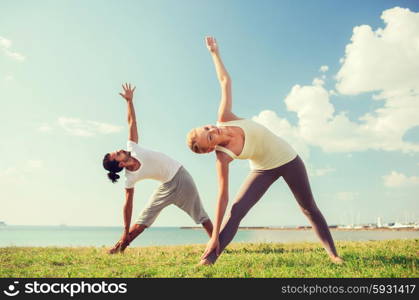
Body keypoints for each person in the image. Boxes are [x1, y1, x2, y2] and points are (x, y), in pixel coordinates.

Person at [186, 37, 343, 265]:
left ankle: (334, 255)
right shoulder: (222, 156)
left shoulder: (225, 118)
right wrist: (213, 237)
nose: (212, 129)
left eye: (207, 127)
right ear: (210, 148)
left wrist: (214, 53)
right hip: (262, 169)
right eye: (209, 136)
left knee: (308, 208)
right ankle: (209, 258)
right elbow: (222, 197)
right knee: (237, 210)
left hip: (288, 159)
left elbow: (224, 81)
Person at [103, 83, 213, 253]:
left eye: (116, 151)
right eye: (116, 154)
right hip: (166, 187)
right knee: (142, 221)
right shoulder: (129, 178)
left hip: (181, 177)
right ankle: (118, 248)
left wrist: (129, 101)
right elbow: (128, 204)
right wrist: (125, 231)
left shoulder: (133, 147)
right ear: (121, 164)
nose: (118, 150)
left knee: (201, 216)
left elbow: (131, 121)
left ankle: (217, 244)